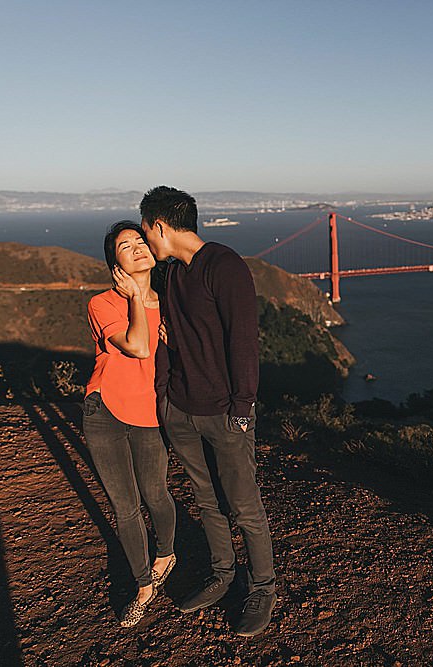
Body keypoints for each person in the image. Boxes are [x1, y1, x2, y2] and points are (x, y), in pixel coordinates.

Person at [140, 186, 276, 637]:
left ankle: (262, 588)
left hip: (225, 413)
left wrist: (242, 408)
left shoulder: (224, 265)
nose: (146, 242)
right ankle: (222, 575)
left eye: (145, 232)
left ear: (159, 225)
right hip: (182, 409)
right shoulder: (174, 274)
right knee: (206, 500)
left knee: (244, 505)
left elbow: (244, 341)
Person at [83, 221, 177, 627]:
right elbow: (138, 346)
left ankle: (166, 554)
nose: (138, 247)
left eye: (141, 240)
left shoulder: (172, 303)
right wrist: (137, 298)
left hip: (149, 413)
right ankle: (143, 586)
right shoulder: (102, 303)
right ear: (115, 264)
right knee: (125, 506)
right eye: (125, 246)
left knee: (156, 494)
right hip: (103, 410)